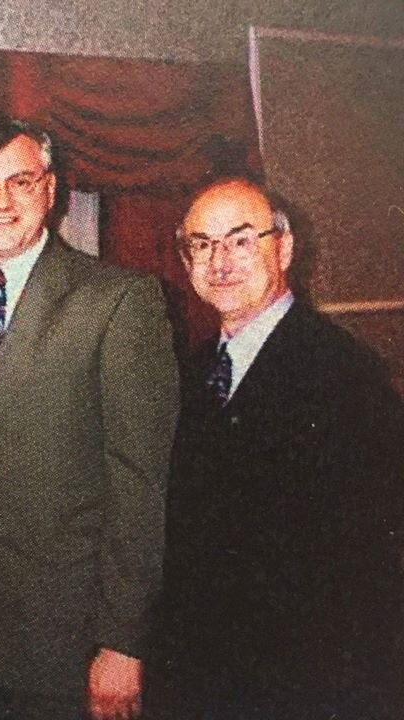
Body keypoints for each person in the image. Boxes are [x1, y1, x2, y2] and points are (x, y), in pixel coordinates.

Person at [0, 115, 180, 720]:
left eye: (19, 182)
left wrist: (124, 642)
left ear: (50, 189)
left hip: (63, 640)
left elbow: (142, 487)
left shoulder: (118, 300)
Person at [154, 177, 404, 718]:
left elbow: (366, 569)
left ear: (284, 249)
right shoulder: (192, 373)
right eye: (202, 243)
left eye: (241, 240)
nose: (220, 261)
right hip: (205, 677)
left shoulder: (341, 374)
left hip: (299, 685)